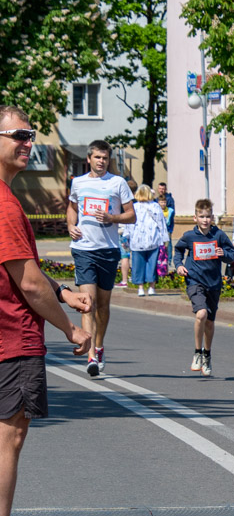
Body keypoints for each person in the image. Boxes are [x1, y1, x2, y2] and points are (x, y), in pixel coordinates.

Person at [0, 106, 92, 516]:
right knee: (8, 439)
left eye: (30, 134)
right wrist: (70, 328)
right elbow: (27, 283)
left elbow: (26, 271)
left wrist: (63, 291)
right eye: (17, 134)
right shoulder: (4, 202)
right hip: (12, 339)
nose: (27, 142)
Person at [67, 139, 134, 376]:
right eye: (97, 157)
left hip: (108, 250)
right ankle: (91, 356)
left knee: (103, 306)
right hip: (84, 249)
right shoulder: (78, 182)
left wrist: (112, 218)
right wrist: (70, 225)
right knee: (88, 303)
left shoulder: (118, 183)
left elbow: (131, 215)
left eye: (105, 158)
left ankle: (99, 345)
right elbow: (72, 207)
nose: (101, 161)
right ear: (89, 159)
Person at [173, 199, 234, 377]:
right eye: (201, 216)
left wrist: (223, 254)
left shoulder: (219, 235)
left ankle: (207, 354)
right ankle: (197, 352)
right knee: (201, 313)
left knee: (209, 322)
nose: (205, 220)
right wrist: (178, 265)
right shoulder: (189, 236)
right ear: (195, 218)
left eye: (208, 216)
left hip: (213, 283)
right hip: (194, 280)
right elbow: (178, 250)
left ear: (212, 217)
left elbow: (231, 254)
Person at [129, 184, 169, 297]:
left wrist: (127, 238)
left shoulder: (134, 207)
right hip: (153, 239)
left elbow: (129, 224)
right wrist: (165, 239)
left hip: (137, 241)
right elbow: (161, 223)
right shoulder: (155, 206)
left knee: (138, 265)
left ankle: (140, 288)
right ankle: (152, 287)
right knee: (152, 264)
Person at [117, 178, 137, 288]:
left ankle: (124, 280)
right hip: (135, 231)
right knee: (135, 255)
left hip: (123, 230)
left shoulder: (122, 201)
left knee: (125, 255)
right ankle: (134, 277)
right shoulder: (136, 201)